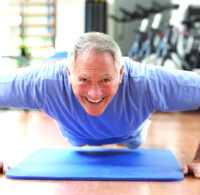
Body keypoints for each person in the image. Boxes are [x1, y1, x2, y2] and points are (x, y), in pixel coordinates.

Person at [0, 32, 200, 177]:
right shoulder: (43, 83)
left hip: (130, 133)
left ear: (121, 73)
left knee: (133, 139)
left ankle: (129, 134)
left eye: (106, 79)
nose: (94, 93)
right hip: (75, 135)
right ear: (69, 74)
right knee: (79, 142)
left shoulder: (148, 82)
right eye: (84, 80)